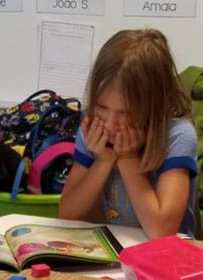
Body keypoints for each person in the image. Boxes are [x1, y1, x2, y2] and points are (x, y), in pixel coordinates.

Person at [59, 29, 198, 239]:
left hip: (169, 259)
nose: (112, 123)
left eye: (126, 113)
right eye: (102, 106)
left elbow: (162, 232)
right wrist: (103, 162)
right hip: (114, 255)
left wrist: (128, 160)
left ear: (155, 107)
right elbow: (68, 215)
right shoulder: (93, 128)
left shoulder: (177, 136)